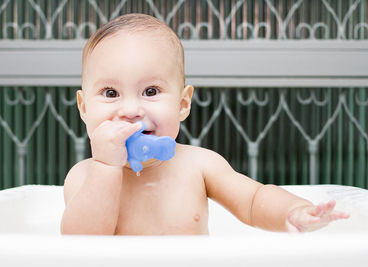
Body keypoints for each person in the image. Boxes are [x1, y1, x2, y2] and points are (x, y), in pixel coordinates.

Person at [61, 13, 349, 235]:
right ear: (84, 108)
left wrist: (292, 212)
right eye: (110, 93)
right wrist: (106, 167)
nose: (131, 110)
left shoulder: (199, 165)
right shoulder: (84, 176)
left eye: (150, 91)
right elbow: (81, 244)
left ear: (183, 104)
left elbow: (253, 199)